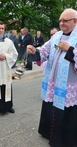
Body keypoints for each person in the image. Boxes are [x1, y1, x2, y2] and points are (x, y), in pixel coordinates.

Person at [27, 8, 77, 147]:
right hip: (54, 81)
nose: (61, 23)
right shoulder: (57, 36)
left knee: (66, 112)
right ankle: (48, 132)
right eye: (60, 20)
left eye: (65, 20)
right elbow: (45, 49)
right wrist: (35, 50)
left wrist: (70, 49)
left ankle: (64, 140)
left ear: (75, 21)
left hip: (69, 84)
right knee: (52, 107)